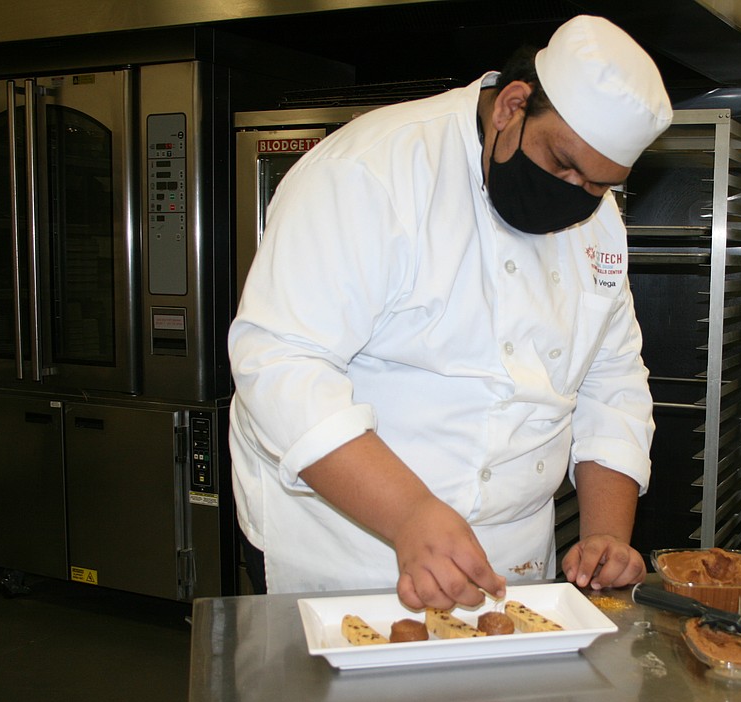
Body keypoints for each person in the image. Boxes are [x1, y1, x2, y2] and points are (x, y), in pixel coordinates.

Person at [228, 15, 673, 609]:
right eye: (563, 164)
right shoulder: (374, 169)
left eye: (599, 185)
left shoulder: (599, 219)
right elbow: (280, 361)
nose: (576, 195)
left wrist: (606, 536)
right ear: (512, 106)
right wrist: (409, 513)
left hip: (510, 559)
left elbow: (611, 378)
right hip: (354, 547)